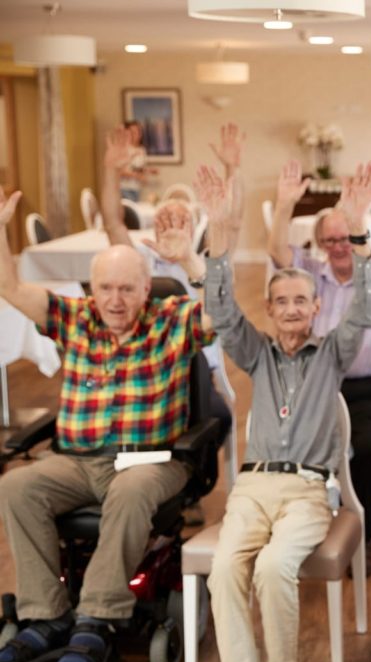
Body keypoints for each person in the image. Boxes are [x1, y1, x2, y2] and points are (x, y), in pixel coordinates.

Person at [0, 187, 214, 662]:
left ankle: (96, 618)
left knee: (131, 490)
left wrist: (195, 266)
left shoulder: (172, 320)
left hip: (154, 461)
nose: (115, 301)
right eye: (105, 289)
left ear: (146, 287)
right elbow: (10, 288)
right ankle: (46, 615)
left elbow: (222, 316)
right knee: (15, 487)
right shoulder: (73, 319)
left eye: (127, 288)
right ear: (91, 291)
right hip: (77, 460)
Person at [189, 164, 371, 662]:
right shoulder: (257, 355)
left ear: (317, 308)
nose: (292, 309)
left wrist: (359, 231)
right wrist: (218, 235)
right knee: (225, 569)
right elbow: (224, 311)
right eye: (281, 302)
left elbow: (365, 306)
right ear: (270, 311)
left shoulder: (333, 354)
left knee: (274, 567)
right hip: (251, 491)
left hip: (307, 494)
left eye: (301, 300)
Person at [267, 160, 371, 568]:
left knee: (367, 451)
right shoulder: (310, 274)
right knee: (298, 450)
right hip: (315, 382)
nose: (338, 246)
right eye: (330, 239)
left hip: (366, 387)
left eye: (345, 237)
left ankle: (362, 537)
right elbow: (277, 252)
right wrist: (284, 206)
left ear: (357, 236)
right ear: (320, 244)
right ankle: (305, 530)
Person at [101, 123, 246, 525]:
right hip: (147, 370)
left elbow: (230, 223)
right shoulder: (137, 261)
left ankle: (189, 485)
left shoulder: (206, 258)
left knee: (217, 418)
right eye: (164, 216)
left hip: (199, 370)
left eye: (181, 217)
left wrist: (233, 171)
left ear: (192, 225)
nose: (171, 221)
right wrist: (112, 171)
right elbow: (113, 221)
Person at [119, 120, 149, 202]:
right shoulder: (123, 149)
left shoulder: (141, 149)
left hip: (136, 188)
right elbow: (119, 172)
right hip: (125, 189)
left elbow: (138, 168)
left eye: (138, 131)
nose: (136, 134)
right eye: (132, 132)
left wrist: (148, 171)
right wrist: (136, 176)